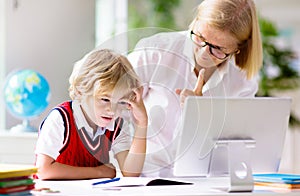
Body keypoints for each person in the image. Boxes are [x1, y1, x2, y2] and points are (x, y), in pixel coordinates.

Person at [127, 0, 263, 177]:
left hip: (206, 181)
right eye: (200, 38)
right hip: (146, 177)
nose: (203, 53)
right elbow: (110, 104)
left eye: (218, 49)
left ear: (238, 49)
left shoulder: (242, 80)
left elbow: (236, 148)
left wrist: (200, 116)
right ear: (195, 22)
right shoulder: (156, 50)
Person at [35, 49, 148, 180]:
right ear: (80, 92)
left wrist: (142, 123)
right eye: (105, 100)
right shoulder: (61, 119)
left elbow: (131, 173)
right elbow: (43, 170)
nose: (112, 110)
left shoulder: (116, 125)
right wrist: (99, 172)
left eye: (120, 102)